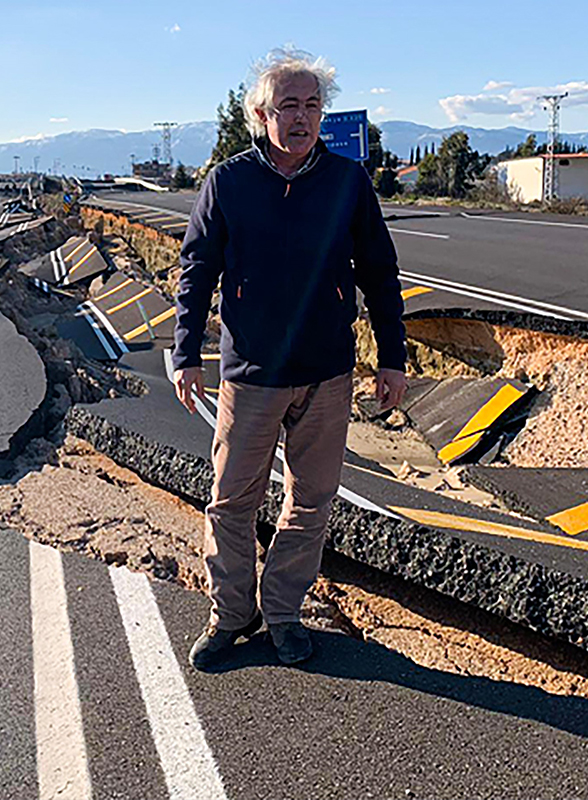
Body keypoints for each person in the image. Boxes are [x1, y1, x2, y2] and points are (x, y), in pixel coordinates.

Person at [172, 47, 407, 670]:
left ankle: (280, 612)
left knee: (311, 499)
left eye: (312, 105)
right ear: (261, 114)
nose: (302, 117)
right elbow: (196, 271)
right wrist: (185, 351)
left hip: (328, 371)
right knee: (231, 497)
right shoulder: (229, 182)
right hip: (251, 372)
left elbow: (380, 273)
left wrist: (393, 357)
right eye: (288, 106)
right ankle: (230, 613)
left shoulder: (347, 182)